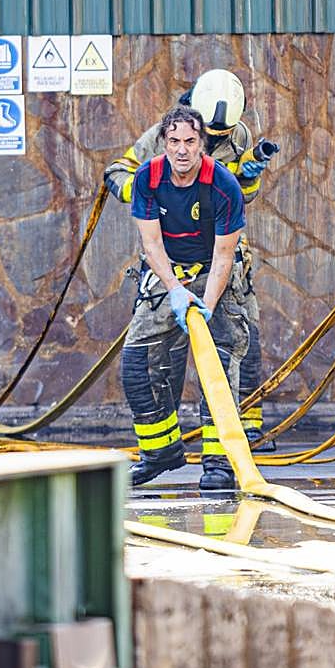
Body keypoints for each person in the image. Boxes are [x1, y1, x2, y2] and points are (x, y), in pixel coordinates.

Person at [104, 68, 277, 451]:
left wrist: (246, 177)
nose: (208, 141)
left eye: (211, 137)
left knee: (239, 339)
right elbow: (117, 172)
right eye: (181, 141)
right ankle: (161, 448)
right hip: (170, 252)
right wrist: (159, 192)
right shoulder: (162, 137)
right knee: (150, 358)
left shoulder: (239, 135)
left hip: (219, 251)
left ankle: (243, 433)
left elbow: (243, 197)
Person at [119, 104, 250, 489]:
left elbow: (225, 254)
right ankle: (160, 453)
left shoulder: (223, 184)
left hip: (214, 271)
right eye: (174, 141)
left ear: (202, 145)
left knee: (221, 361)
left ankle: (219, 463)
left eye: (190, 141)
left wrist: (206, 308)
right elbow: (151, 243)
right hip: (168, 271)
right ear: (163, 143)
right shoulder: (148, 178)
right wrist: (175, 290)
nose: (181, 150)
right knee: (138, 360)